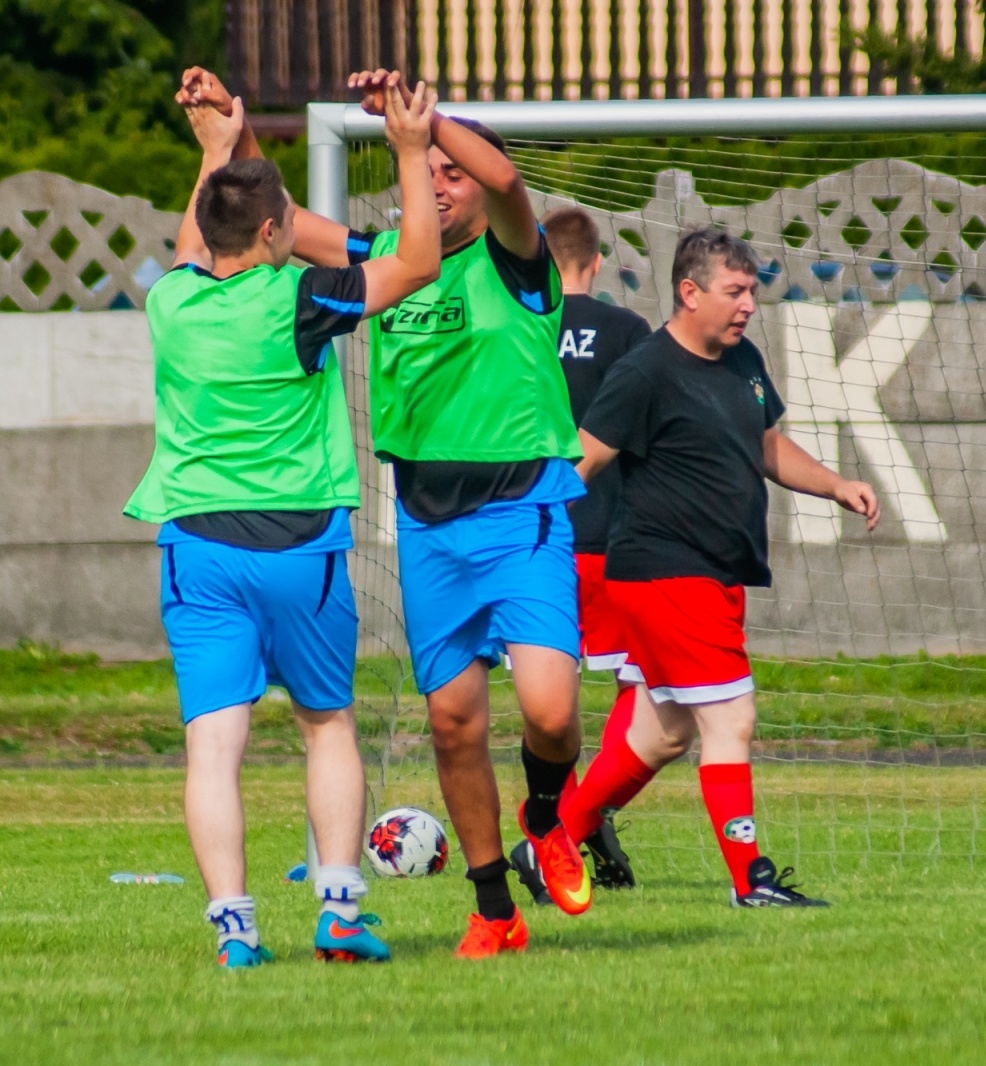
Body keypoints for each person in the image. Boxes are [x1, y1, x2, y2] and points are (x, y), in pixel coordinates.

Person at [178, 66, 594, 957]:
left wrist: (424, 125)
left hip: (523, 512)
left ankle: (548, 814)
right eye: (430, 173)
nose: (440, 185)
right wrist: (232, 133)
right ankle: (492, 908)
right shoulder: (380, 260)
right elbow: (273, 220)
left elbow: (513, 183)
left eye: (454, 173)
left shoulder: (517, 262)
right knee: (453, 721)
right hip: (429, 526)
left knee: (552, 714)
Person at [129, 78, 440, 966]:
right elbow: (416, 262)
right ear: (275, 236)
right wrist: (411, 152)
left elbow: (196, 240)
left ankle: (235, 928)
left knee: (213, 748)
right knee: (325, 724)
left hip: (197, 547)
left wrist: (214, 150)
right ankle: (339, 912)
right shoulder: (300, 302)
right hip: (302, 548)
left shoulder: (170, 303)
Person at [562, 227, 880, 906]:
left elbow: (767, 446)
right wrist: (526, 532)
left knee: (664, 729)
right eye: (735, 292)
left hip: (714, 574)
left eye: (752, 292)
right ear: (689, 292)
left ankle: (559, 836)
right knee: (730, 717)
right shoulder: (644, 371)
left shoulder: (742, 361)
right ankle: (750, 880)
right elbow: (583, 459)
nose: (747, 306)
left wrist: (835, 485)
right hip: (666, 572)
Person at [507, 206, 653, 901]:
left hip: (534, 542)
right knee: (643, 685)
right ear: (595, 262)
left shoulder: (517, 323)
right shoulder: (627, 331)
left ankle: (559, 823)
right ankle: (581, 815)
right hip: (613, 539)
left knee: (547, 706)